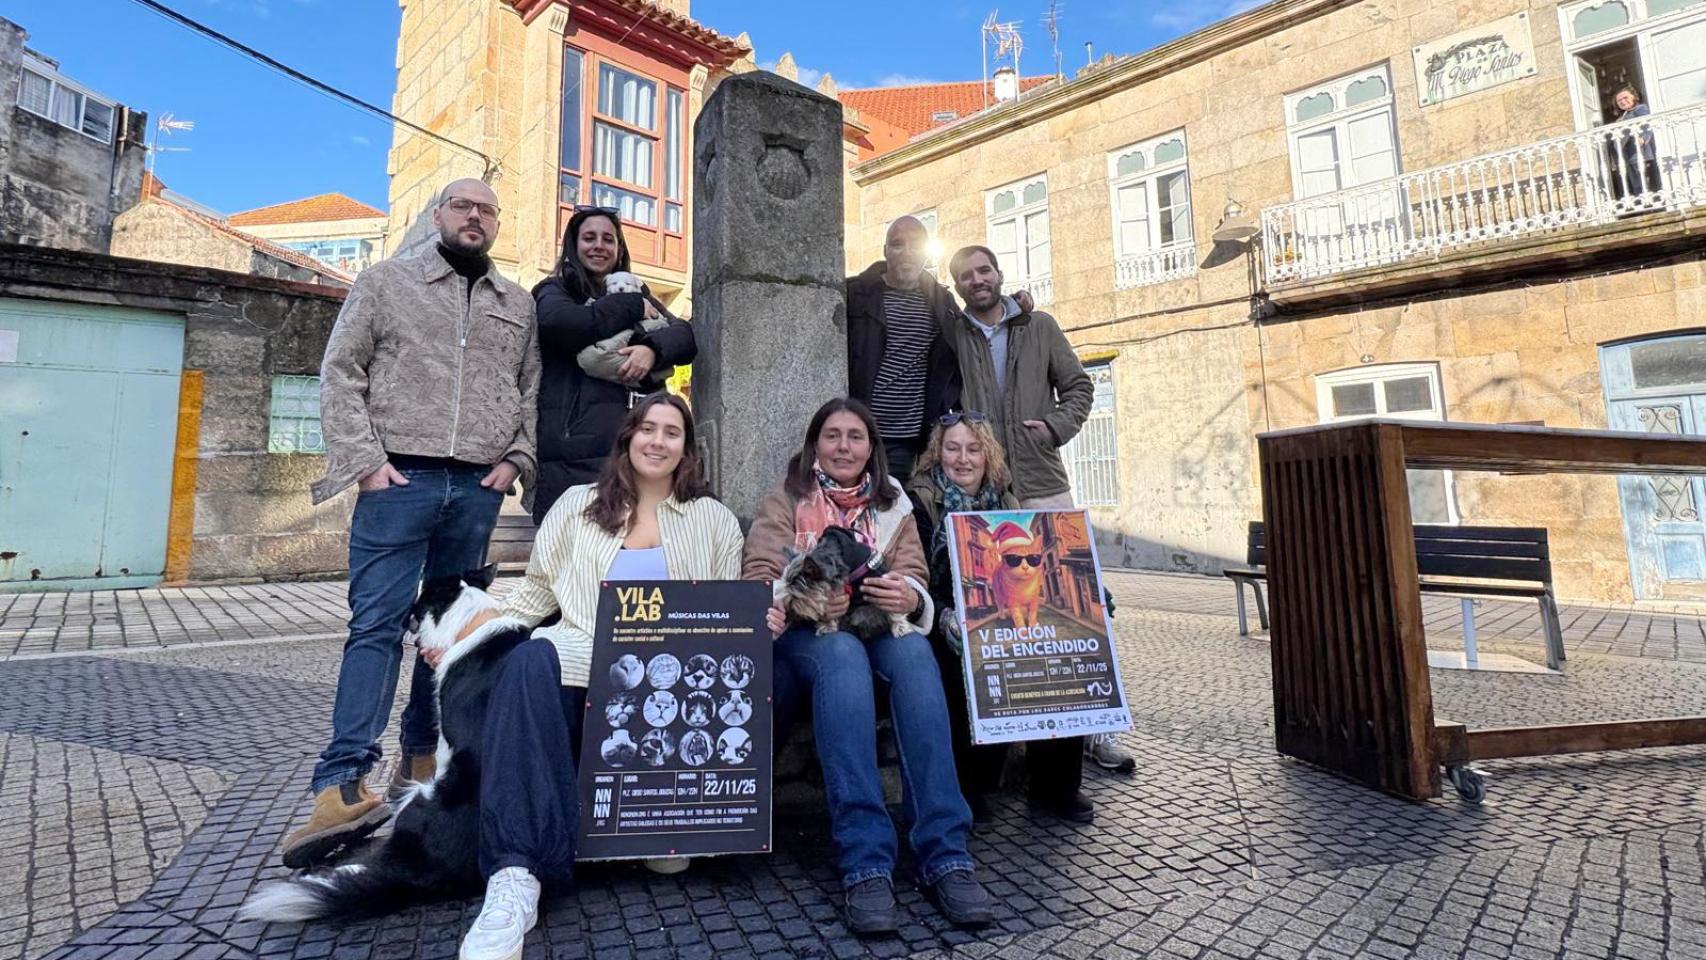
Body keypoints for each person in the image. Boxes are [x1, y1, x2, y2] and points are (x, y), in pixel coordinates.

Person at [286, 178, 540, 868]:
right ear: (439, 216)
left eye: (488, 209)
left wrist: (516, 459)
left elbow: (531, 388)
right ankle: (341, 783)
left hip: (479, 484)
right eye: (463, 206)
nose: (476, 217)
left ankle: (422, 759)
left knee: (448, 634)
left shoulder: (516, 303)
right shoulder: (385, 282)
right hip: (397, 477)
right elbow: (340, 372)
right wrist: (365, 461)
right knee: (374, 626)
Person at [452, 393, 744, 959]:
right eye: (648, 429)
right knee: (528, 659)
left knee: (672, 863)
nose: (658, 442)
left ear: (688, 448)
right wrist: (472, 635)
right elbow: (535, 594)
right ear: (628, 437)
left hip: (668, 682)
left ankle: (659, 824)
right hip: (581, 657)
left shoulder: (714, 520)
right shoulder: (577, 505)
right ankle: (515, 875)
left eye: (672, 433)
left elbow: (722, 616)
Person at [743, 397, 995, 935]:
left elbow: (914, 574)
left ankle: (945, 851)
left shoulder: (894, 503)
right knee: (840, 658)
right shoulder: (785, 498)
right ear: (815, 445)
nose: (843, 446)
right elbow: (758, 575)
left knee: (915, 656)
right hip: (810, 638)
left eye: (855, 437)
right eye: (832, 436)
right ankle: (865, 860)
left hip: (882, 627)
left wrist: (906, 596)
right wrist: (808, 597)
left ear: (871, 448)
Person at [944, 245, 1136, 775]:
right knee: (1000, 612)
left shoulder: (1040, 326)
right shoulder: (954, 332)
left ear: (999, 275)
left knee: (1078, 609)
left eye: (984, 270)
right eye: (965, 275)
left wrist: (1054, 428)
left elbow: (1079, 387)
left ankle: (1093, 732)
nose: (976, 280)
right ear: (957, 285)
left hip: (1043, 481)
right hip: (988, 488)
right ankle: (1010, 727)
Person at [906, 413, 1094, 824]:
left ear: (988, 455)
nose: (963, 459)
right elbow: (915, 572)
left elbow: (1045, 562)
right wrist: (947, 615)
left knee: (1058, 653)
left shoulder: (1007, 501)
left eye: (974, 449)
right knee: (958, 665)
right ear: (938, 454)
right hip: (941, 614)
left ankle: (1056, 785)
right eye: (952, 448)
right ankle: (970, 786)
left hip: (1010, 607)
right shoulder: (919, 501)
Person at [532, 207, 697, 520]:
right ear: (573, 245)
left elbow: (685, 337)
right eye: (589, 238)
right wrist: (634, 305)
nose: (599, 245)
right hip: (574, 454)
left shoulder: (640, 289)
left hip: (637, 445)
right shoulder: (555, 290)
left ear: (619, 248)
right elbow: (562, 324)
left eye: (608, 239)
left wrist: (651, 350)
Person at [845, 216, 964, 482]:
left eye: (916, 244)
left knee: (896, 511)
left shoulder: (941, 301)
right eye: (898, 244)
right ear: (886, 251)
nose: (907, 252)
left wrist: (1015, 305)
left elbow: (978, 325)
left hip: (908, 438)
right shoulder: (855, 294)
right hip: (858, 429)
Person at [1611, 84, 1660, 202]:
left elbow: (1647, 124)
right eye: (1619, 100)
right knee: (1636, 183)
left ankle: (1651, 204)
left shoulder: (1640, 108)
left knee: (1645, 181)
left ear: (1634, 97)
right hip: (1629, 155)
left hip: (1640, 152)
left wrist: (1643, 138)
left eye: (1625, 98)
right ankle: (1643, 203)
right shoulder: (1623, 116)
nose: (1622, 101)